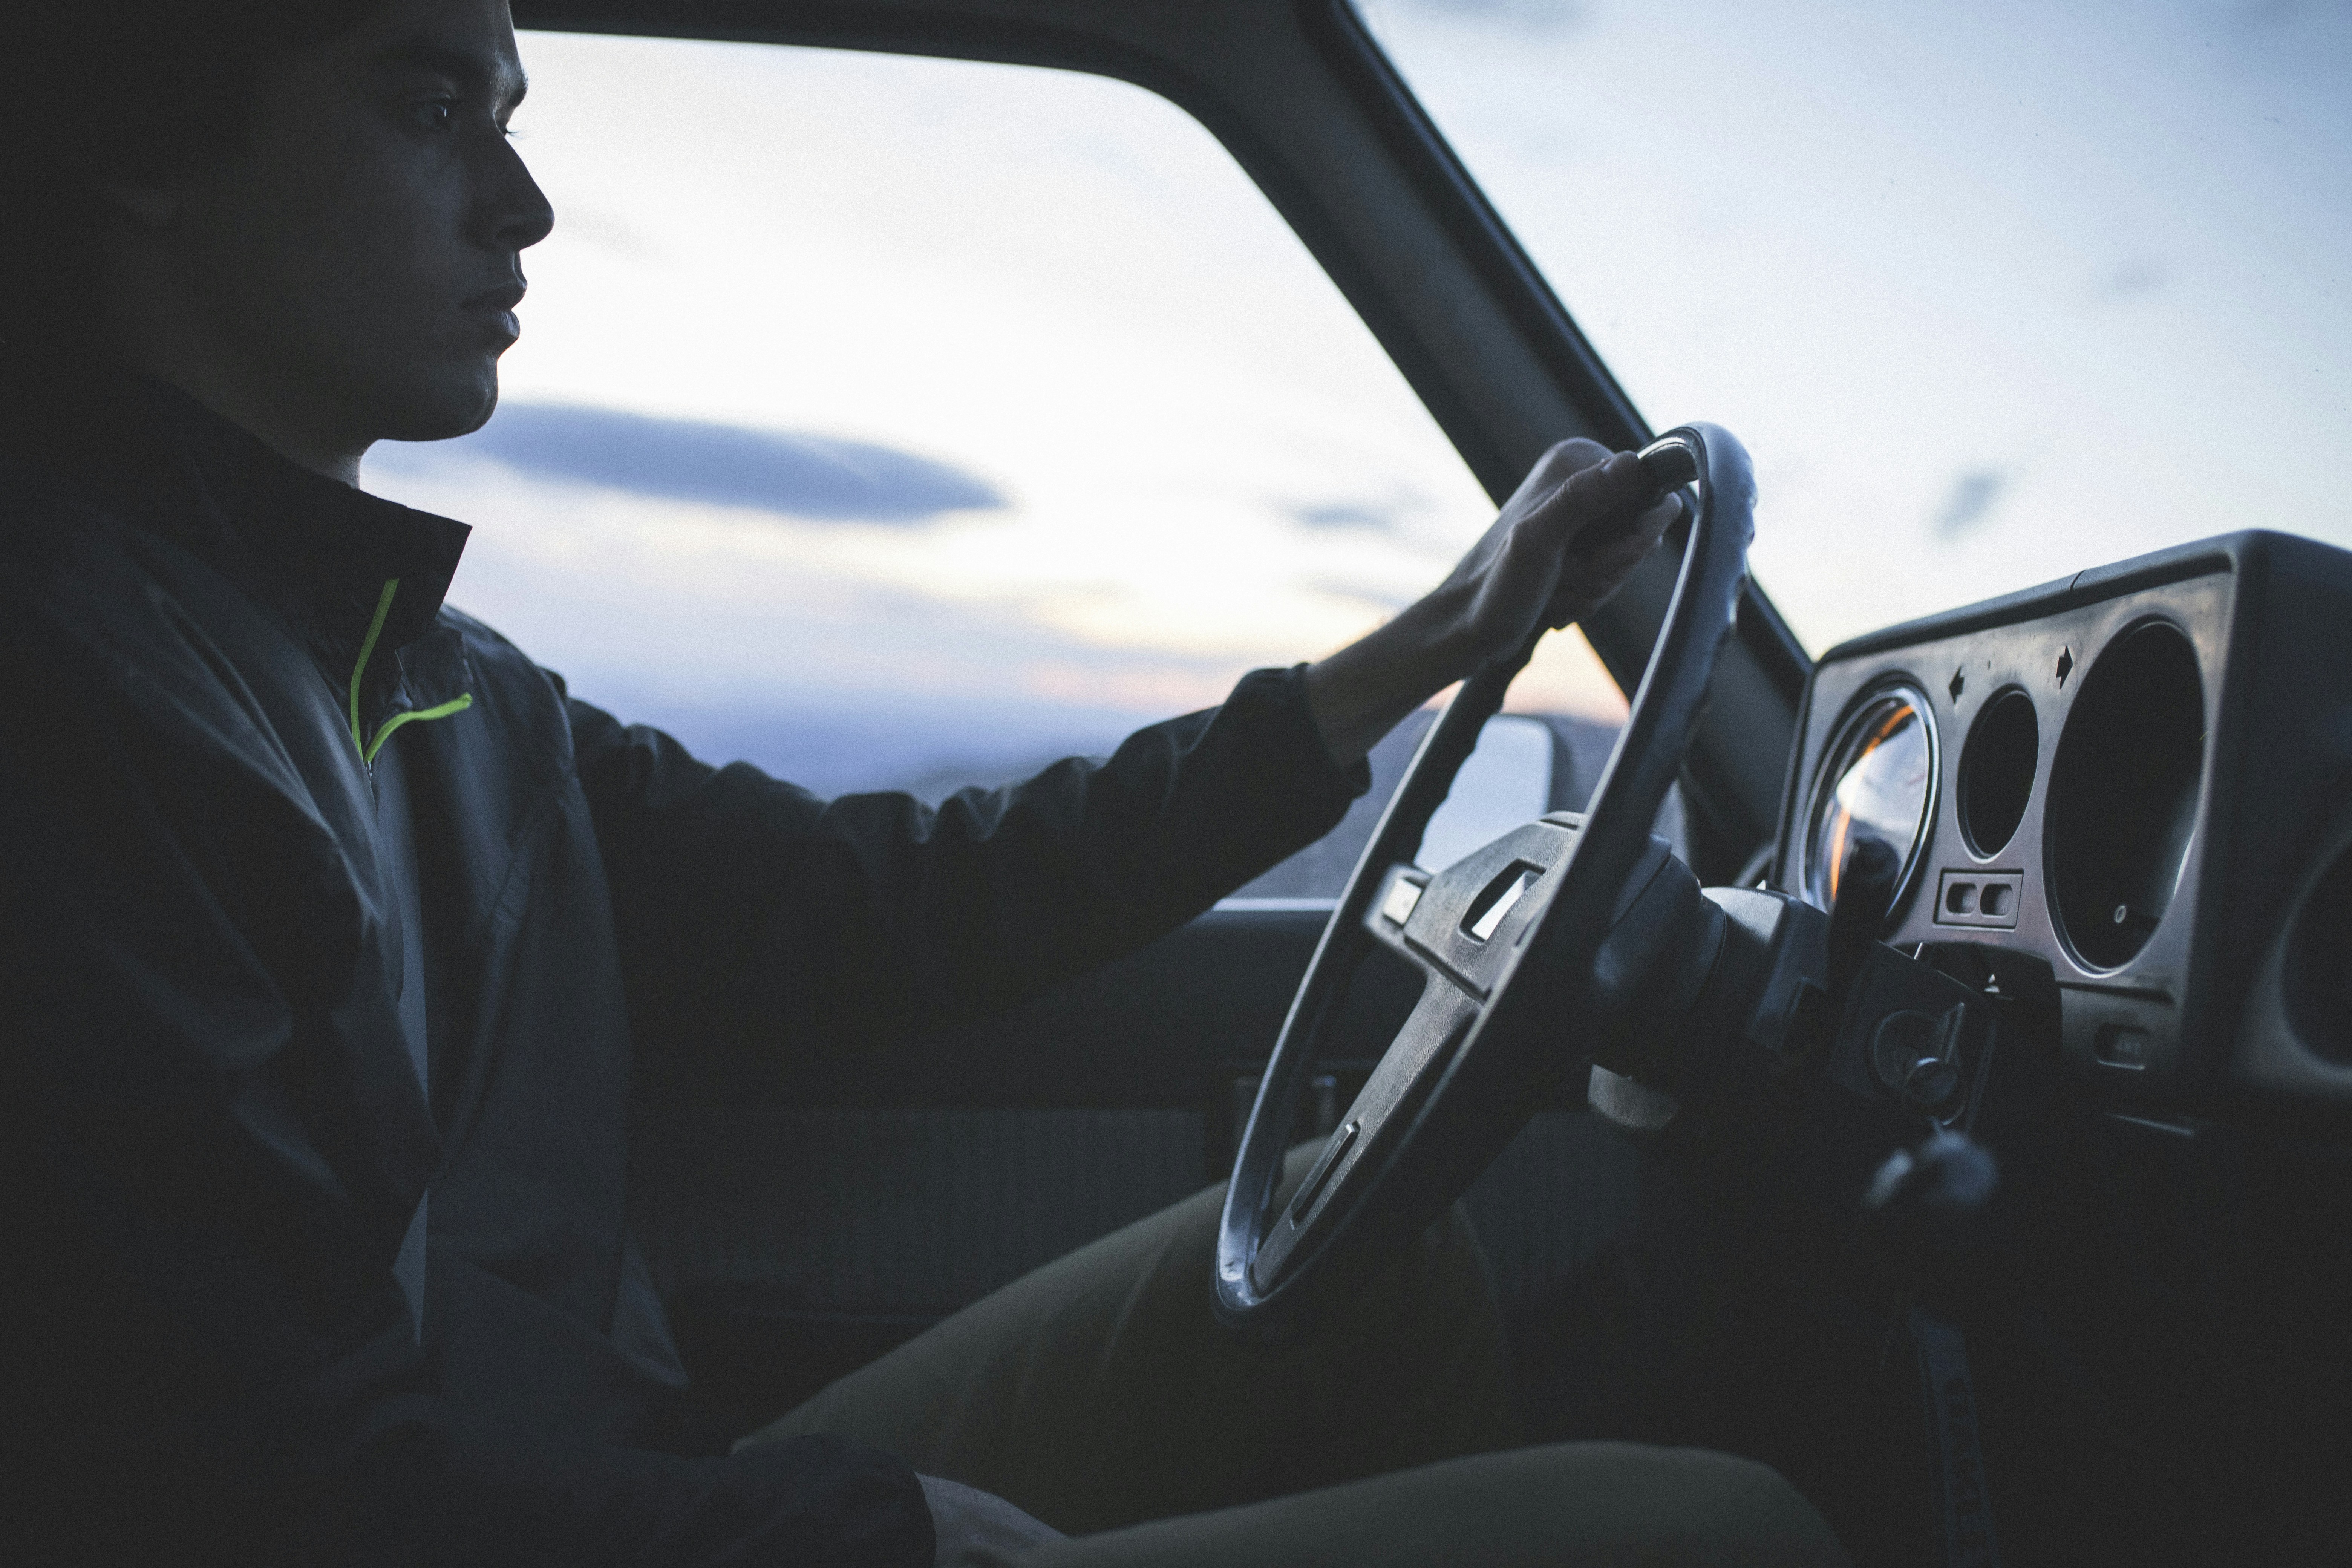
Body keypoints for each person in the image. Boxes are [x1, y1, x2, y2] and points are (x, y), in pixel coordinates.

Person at [0, 1, 1847, 1563]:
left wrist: (1428, 641)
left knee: (1387, 1263)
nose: (527, 203)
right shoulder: (89, 708)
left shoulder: (439, 680)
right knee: (1717, 1523)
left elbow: (887, 908)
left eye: (511, 117)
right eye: (429, 110)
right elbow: (256, 1485)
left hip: (614, 1471)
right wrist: (867, 1528)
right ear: (153, 144)